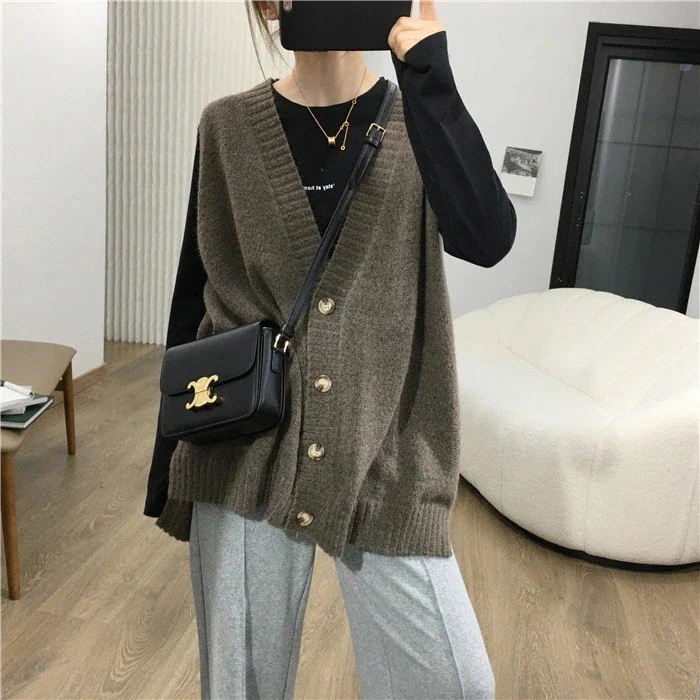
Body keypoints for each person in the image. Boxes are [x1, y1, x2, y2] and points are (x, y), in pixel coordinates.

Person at [144, 0, 516, 697]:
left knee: (456, 684)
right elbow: (195, 291)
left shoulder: (419, 117)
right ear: (268, 3)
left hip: (388, 455)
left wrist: (429, 73)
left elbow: (487, 238)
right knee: (241, 686)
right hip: (243, 452)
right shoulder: (226, 126)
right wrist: (168, 464)